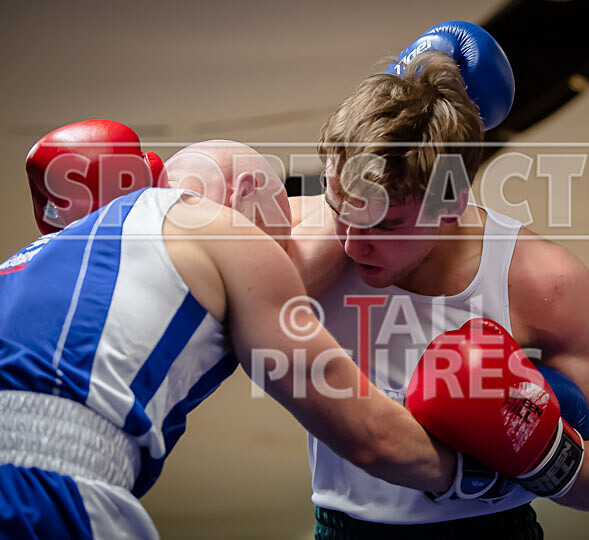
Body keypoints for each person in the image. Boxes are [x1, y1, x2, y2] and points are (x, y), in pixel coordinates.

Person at [0, 120, 458, 539]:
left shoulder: (34, 258)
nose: (282, 254)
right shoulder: (223, 230)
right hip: (47, 489)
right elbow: (369, 435)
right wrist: (483, 470)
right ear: (245, 190)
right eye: (281, 229)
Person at [292, 21, 589, 538]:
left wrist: (538, 451)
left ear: (450, 203)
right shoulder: (309, 240)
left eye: (386, 224)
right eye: (341, 208)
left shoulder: (545, 282)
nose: (352, 244)